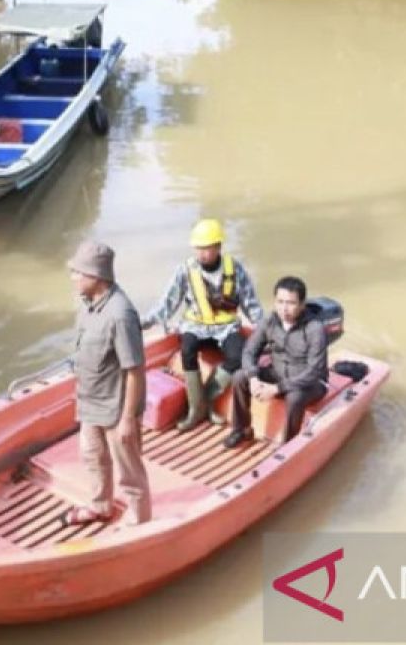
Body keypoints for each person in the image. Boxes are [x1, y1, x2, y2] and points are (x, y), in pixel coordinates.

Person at [141, 219, 264, 430]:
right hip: (195, 326)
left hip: (226, 328)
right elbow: (168, 303)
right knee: (187, 348)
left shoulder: (235, 270)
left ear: (218, 247)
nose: (201, 253)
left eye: (206, 248)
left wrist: (266, 329)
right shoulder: (185, 271)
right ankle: (195, 410)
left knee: (239, 356)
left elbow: (251, 304)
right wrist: (145, 321)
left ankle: (207, 398)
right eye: (198, 248)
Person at [62, 239, 151, 526]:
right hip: (90, 403)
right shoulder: (88, 306)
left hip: (115, 408)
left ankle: (139, 521)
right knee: (93, 458)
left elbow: (135, 369)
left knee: (129, 472)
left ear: (95, 276)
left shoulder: (120, 314)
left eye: (78, 272)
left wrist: (127, 419)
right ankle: (101, 506)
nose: (73, 278)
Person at [225, 276, 329, 449]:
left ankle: (288, 445)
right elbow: (250, 351)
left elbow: (314, 372)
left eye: (291, 303)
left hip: (310, 383)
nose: (284, 308)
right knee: (239, 377)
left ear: (302, 304)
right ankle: (241, 429)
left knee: (295, 397)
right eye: (280, 302)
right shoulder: (270, 321)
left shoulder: (315, 329)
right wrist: (253, 377)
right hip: (278, 372)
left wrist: (276, 389)